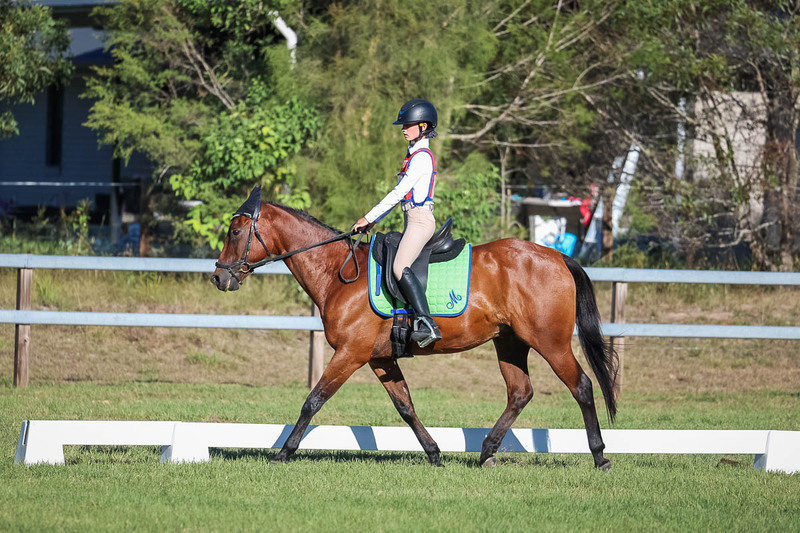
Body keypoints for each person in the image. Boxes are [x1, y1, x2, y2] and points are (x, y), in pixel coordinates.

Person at [352, 98, 442, 348]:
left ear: (423, 126)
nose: (403, 129)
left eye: (408, 125)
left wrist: (369, 217)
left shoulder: (421, 157)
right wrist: (374, 222)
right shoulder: (412, 155)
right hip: (411, 219)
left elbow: (398, 193)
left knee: (400, 266)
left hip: (420, 221)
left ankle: (427, 323)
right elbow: (401, 198)